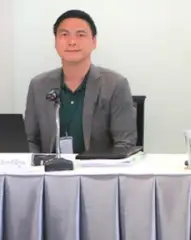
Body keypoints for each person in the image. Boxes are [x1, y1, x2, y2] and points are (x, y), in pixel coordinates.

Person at [24, 10, 138, 154]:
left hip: (97, 168)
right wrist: (38, 164)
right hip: (49, 167)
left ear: (94, 41)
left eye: (80, 35)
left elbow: (125, 143)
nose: (72, 42)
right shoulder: (39, 85)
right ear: (55, 42)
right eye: (64, 35)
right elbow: (29, 140)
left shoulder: (115, 84)